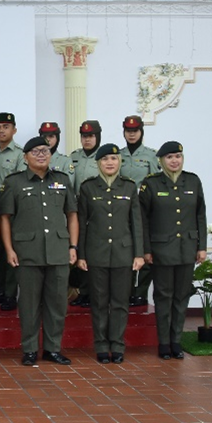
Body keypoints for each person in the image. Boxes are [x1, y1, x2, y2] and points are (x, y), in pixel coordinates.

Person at [1, 136, 78, 366]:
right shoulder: (14, 182)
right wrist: (9, 249)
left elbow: (72, 215)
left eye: (45, 150)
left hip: (58, 250)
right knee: (29, 304)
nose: (41, 154)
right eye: (35, 152)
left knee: (57, 304)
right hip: (27, 251)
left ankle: (53, 349)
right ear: (25, 157)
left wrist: (73, 246)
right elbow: (5, 218)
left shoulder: (62, 180)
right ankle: (30, 349)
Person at [75, 143, 143, 363]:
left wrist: (139, 254)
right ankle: (102, 345)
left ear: (119, 162)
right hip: (97, 253)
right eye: (105, 160)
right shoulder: (88, 187)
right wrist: (82, 254)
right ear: (98, 163)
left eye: (114, 159)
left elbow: (136, 224)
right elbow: (83, 224)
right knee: (99, 302)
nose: (110, 163)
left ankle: (118, 344)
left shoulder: (129, 187)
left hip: (124, 253)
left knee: (121, 302)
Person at [139, 141, 207, 360]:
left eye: (178, 156)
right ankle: (164, 342)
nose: (175, 160)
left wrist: (202, 246)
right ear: (161, 161)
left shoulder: (193, 181)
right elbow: (143, 220)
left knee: (181, 296)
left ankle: (176, 340)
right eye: (169, 157)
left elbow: (200, 215)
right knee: (163, 296)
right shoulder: (151, 184)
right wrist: (146, 249)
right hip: (161, 250)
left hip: (187, 247)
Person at [120, 115, 160, 307]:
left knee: (145, 250)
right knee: (127, 250)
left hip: (145, 208)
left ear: (141, 131)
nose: (132, 134)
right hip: (124, 209)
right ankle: (126, 291)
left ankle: (141, 292)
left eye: (135, 131)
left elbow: (155, 182)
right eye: (128, 131)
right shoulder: (118, 156)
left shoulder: (152, 156)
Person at [0, 112, 23, 310]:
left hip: (10, 202)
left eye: (6, 127)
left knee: (11, 248)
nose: (1, 131)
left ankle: (10, 294)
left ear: (14, 130)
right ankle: (0, 291)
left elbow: (17, 182)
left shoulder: (19, 153)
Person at [67, 120, 102, 308]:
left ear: (97, 136)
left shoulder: (105, 156)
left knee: (93, 249)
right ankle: (80, 291)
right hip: (78, 207)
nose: (87, 140)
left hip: (97, 208)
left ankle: (91, 291)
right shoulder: (73, 157)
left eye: (91, 136)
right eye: (84, 136)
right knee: (78, 248)